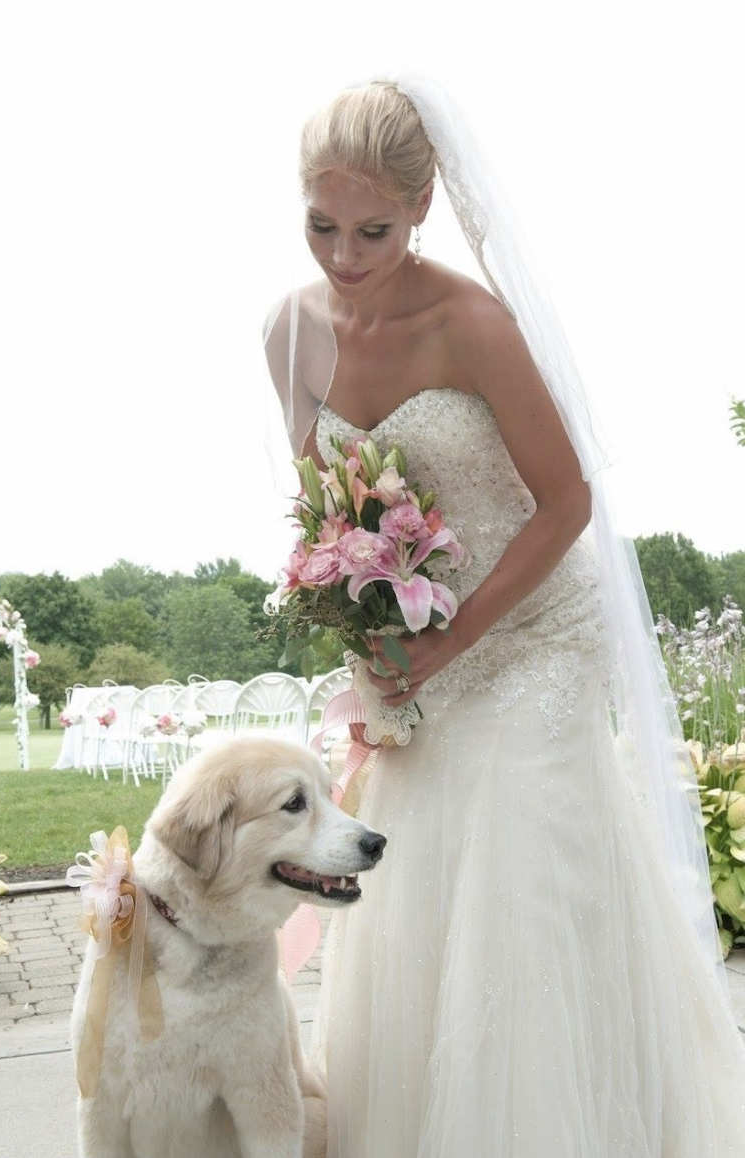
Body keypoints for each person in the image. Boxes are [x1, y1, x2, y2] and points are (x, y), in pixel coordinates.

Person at [264, 77, 745, 1158]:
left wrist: (453, 638)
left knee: (514, 891)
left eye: (373, 230)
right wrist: (367, 636)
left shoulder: (473, 323)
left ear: (423, 208)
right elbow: (325, 508)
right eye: (322, 226)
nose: (344, 255)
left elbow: (567, 500)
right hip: (409, 650)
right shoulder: (289, 332)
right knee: (417, 876)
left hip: (529, 636)